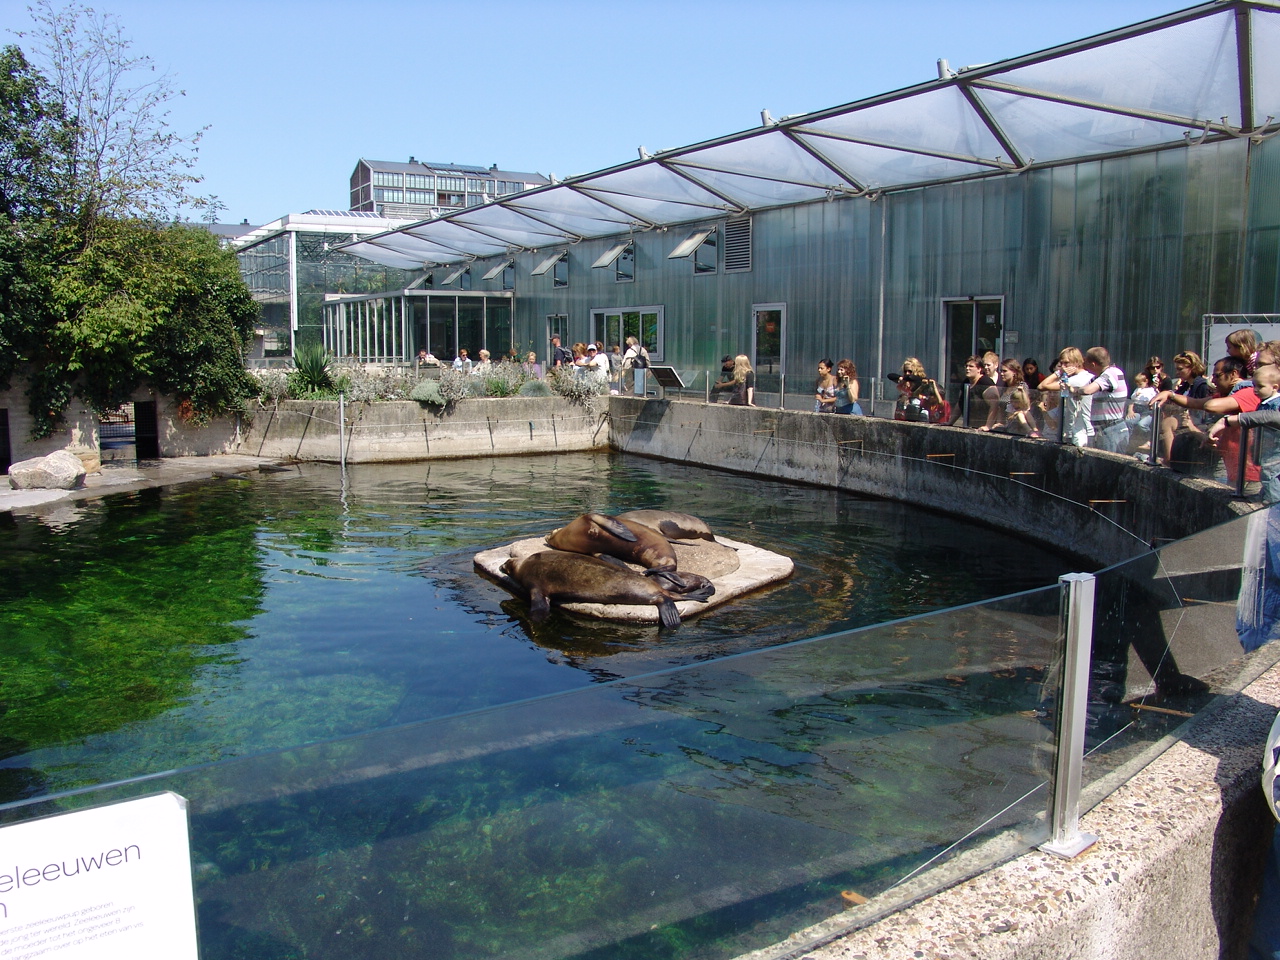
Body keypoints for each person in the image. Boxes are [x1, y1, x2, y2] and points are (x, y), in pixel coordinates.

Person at [1157, 355, 1260, 484]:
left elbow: (1209, 405)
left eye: (1218, 376)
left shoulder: (1247, 392)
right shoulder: (1226, 395)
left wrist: (1239, 385)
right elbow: (1194, 403)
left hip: (1251, 477)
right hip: (1235, 473)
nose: (1213, 380)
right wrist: (1170, 394)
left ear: (1234, 374)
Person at [1214, 364, 1280, 503]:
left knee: (1270, 474)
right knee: (1266, 473)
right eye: (1254, 385)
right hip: (1266, 447)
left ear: (1275, 387)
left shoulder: (1276, 404)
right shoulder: (1264, 401)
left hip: (1275, 448)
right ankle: (1265, 495)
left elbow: (1270, 418)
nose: (1255, 390)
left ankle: (1274, 501)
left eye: (1260, 386)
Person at [1154, 351, 1211, 465]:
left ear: (1192, 368)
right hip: (1181, 421)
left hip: (1195, 424)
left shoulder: (1202, 386)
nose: (1177, 373)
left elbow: (1201, 410)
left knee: (1168, 423)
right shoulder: (1184, 385)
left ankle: (1169, 460)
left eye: (1180, 369)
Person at [1075, 347, 1129, 453]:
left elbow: (1087, 390)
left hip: (1112, 430)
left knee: (1110, 467)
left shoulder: (1112, 373)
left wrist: (1075, 390)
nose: (1084, 365)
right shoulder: (1098, 377)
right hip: (1103, 430)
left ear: (1093, 364)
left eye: (1086, 362)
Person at [1038, 347, 1093, 446]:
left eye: (1066, 363)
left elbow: (1042, 386)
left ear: (1077, 362)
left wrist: (1059, 372)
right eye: (1061, 364)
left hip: (1078, 431)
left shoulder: (1076, 380)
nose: (1063, 366)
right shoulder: (1088, 376)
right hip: (1082, 430)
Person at [892, 357, 944, 423]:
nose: (907, 373)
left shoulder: (922, 381)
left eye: (910, 371)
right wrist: (902, 378)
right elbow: (890, 376)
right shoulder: (905, 382)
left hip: (918, 412)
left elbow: (915, 380)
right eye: (905, 371)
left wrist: (907, 379)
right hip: (903, 411)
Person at [953, 355, 995, 426]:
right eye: (966, 366)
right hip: (969, 425)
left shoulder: (985, 383)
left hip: (983, 427)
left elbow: (995, 405)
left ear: (979, 369)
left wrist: (988, 426)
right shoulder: (965, 382)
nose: (967, 368)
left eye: (971, 366)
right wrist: (950, 422)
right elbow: (960, 403)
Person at [1125, 372, 1158, 454]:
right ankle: (1128, 439)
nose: (1139, 386)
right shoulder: (1137, 390)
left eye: (1140, 384)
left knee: (1142, 424)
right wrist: (1136, 395)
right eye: (1137, 384)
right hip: (1137, 409)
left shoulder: (1150, 390)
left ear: (1146, 381)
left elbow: (1153, 399)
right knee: (1129, 421)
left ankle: (1149, 437)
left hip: (1147, 410)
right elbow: (1132, 399)